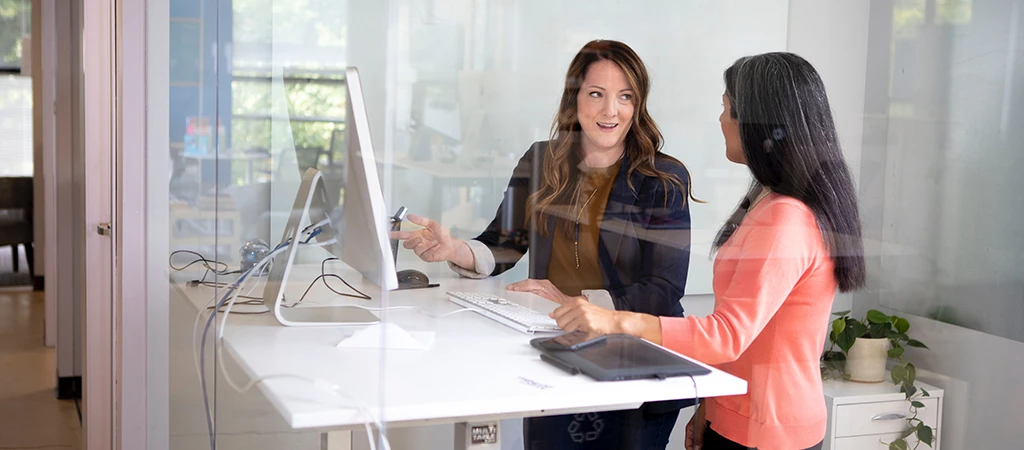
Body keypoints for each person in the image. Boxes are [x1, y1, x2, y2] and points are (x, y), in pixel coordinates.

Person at [548, 52, 867, 450]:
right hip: (737, 418)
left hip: (767, 432)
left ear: (760, 123)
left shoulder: (787, 218)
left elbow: (727, 334)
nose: (721, 120)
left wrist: (615, 320)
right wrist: (709, 407)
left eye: (727, 109)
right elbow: (749, 334)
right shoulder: (766, 202)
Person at [391, 39, 698, 450]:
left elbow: (663, 290)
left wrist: (580, 301)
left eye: (625, 97)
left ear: (638, 105)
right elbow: (502, 243)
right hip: (560, 353)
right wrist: (454, 250)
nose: (611, 111)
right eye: (596, 94)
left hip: (634, 363)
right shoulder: (541, 160)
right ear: (575, 100)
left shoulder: (663, 179)